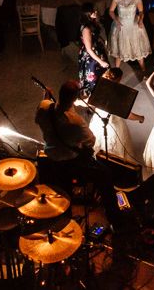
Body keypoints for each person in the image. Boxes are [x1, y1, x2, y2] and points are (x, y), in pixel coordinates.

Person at [35, 80, 119, 223]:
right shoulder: (75, 122)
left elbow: (39, 117)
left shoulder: (43, 107)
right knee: (105, 174)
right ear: (75, 98)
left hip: (50, 157)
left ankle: (65, 218)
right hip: (70, 162)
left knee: (64, 190)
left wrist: (46, 97)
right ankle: (115, 217)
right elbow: (91, 141)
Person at [88, 68, 144, 160]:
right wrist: (140, 118)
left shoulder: (99, 87)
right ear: (118, 79)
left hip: (98, 123)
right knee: (113, 152)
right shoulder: (118, 93)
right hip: (113, 127)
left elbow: (91, 102)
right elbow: (127, 114)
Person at [108, 0, 151, 74]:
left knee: (137, 48)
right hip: (121, 25)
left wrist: (140, 20)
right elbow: (111, 11)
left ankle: (143, 70)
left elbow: (141, 11)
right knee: (120, 50)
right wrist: (116, 20)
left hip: (133, 25)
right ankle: (116, 72)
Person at [78, 9, 109, 92]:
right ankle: (92, 94)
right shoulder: (86, 29)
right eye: (92, 12)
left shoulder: (92, 23)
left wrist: (103, 41)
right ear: (87, 14)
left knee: (101, 75)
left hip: (96, 50)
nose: (95, 12)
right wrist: (100, 61)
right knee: (93, 77)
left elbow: (95, 36)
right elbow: (89, 49)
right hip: (90, 56)